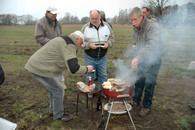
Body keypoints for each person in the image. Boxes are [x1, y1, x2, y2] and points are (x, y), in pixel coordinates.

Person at [25, 31, 94, 121]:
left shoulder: (63, 39)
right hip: (42, 68)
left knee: (53, 89)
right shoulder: (70, 45)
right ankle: (58, 115)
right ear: (77, 38)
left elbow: (64, 60)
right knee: (58, 90)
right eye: (81, 43)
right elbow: (73, 68)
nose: (80, 46)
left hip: (37, 65)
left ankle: (53, 110)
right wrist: (86, 69)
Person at [129, 7, 162, 116]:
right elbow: (138, 44)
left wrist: (138, 57)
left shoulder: (152, 26)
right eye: (131, 20)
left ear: (141, 16)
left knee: (149, 83)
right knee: (139, 80)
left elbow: (152, 44)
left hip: (154, 58)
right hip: (142, 58)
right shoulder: (136, 27)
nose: (133, 23)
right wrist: (136, 57)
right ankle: (136, 99)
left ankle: (146, 106)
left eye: (135, 19)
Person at [81, 10, 114, 92]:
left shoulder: (107, 26)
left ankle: (102, 92)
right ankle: (90, 92)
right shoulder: (85, 28)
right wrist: (89, 45)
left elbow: (112, 38)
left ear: (100, 17)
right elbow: (81, 42)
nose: (94, 20)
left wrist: (108, 44)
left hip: (102, 57)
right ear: (90, 17)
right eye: (92, 18)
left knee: (103, 75)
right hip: (89, 56)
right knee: (89, 75)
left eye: (96, 18)